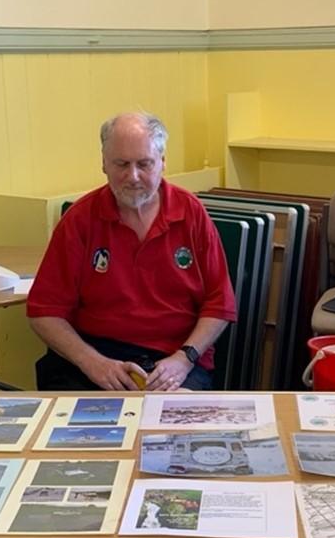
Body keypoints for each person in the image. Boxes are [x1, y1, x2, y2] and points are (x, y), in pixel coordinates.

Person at [27, 111, 237, 394]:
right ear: (103, 163)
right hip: (94, 356)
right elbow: (43, 312)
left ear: (163, 162)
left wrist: (184, 359)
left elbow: (220, 304)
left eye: (144, 164)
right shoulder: (79, 219)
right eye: (122, 164)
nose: (133, 176)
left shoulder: (191, 213)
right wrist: (92, 362)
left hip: (173, 359)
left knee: (177, 420)